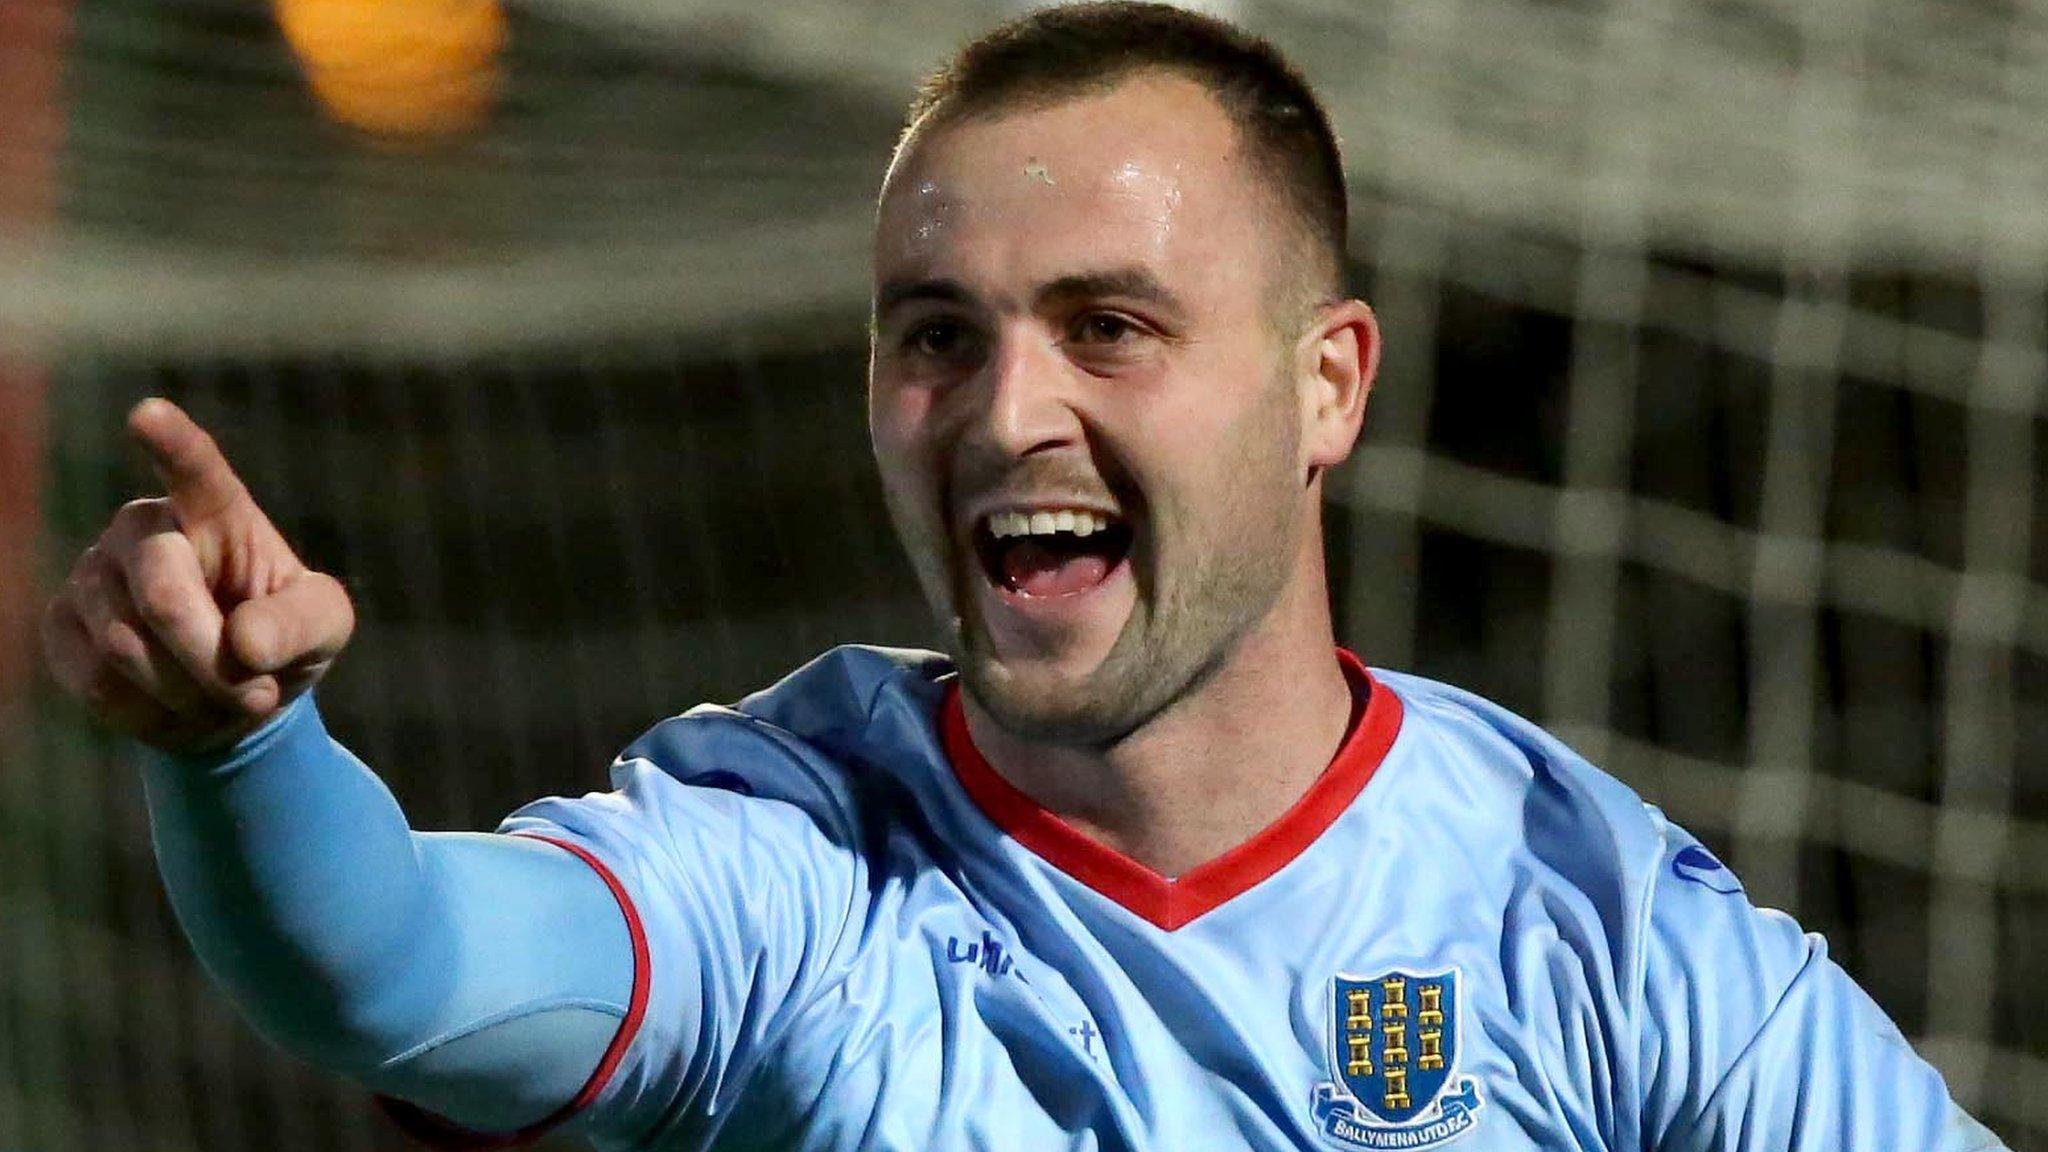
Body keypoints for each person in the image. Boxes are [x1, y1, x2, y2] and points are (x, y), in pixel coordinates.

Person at [40, 4, 2010, 1150]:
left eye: (1108, 327)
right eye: (935, 335)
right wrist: (240, 753)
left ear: (1325, 387)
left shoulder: (1593, 929)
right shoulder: (793, 862)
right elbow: (397, 970)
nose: (1003, 412)